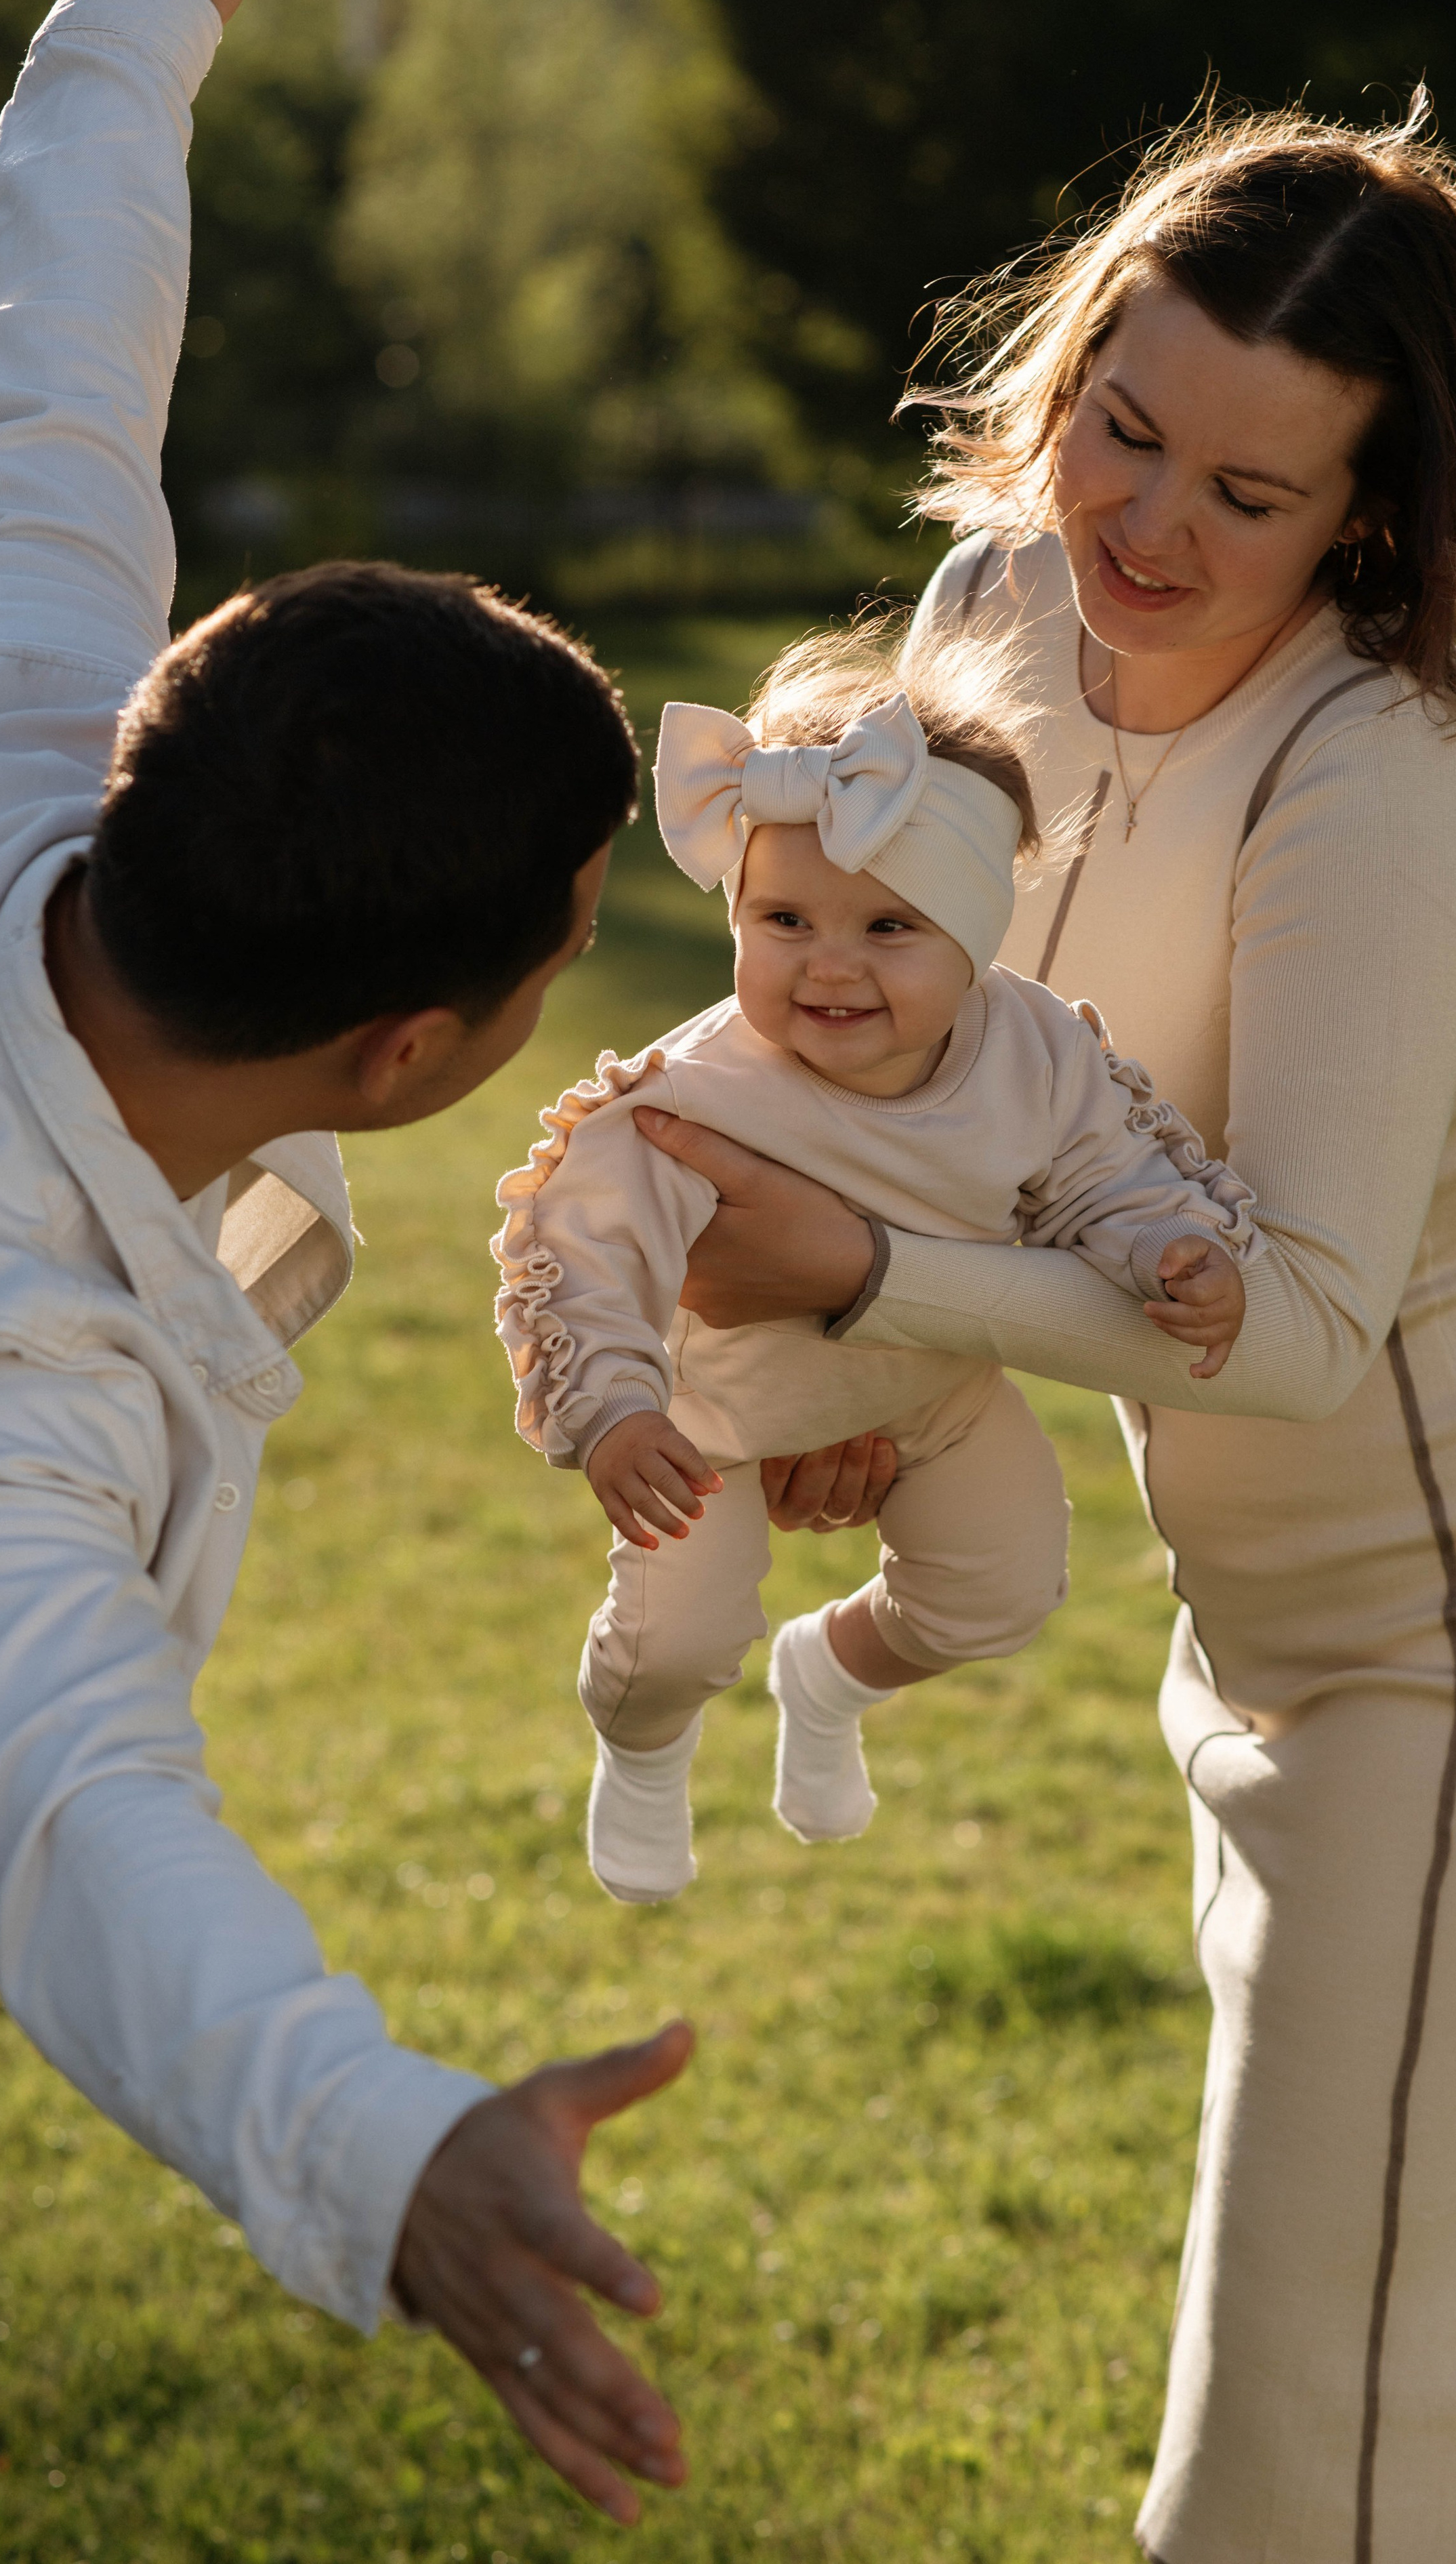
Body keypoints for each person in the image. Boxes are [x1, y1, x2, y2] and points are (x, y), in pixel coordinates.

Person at [626, 102, 1456, 2563]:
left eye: (1255, 494)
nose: (1150, 528)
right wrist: (879, 1378)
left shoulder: (1378, 761)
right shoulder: (988, 612)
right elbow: (967, 1081)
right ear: (1068, 368)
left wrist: (867, 1288)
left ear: (1375, 519)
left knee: (1306, 2487)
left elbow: (1291, 1323)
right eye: (1126, 425)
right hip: (1264, 1647)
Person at [0, 0, 690, 2525]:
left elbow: (56, 350)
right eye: (568, 931)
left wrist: (152, 0)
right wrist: (396, 2156)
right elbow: (83, 1825)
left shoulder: (5, 698)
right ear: (402, 1047)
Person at [494, 618, 1252, 1903]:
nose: (828, 966)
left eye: (888, 930)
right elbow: (580, 1252)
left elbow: (1098, 1172)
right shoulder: (694, 1095)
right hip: (712, 1421)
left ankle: (830, 1672)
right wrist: (615, 1412)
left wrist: (1172, 1247)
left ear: (975, 938)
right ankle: (644, 1749)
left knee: (1002, 1592)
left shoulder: (1034, 1052)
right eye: (783, 918)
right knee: (668, 1644)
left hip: (934, 1387)